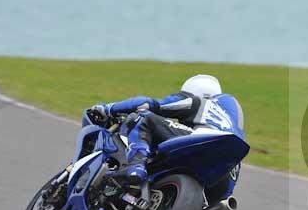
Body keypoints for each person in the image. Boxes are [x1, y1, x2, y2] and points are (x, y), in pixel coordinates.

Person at [89, 74, 244, 184]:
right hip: (223, 176)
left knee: (144, 116)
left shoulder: (197, 101)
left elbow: (147, 104)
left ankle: (135, 164)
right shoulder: (229, 120)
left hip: (203, 139)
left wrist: (108, 108)